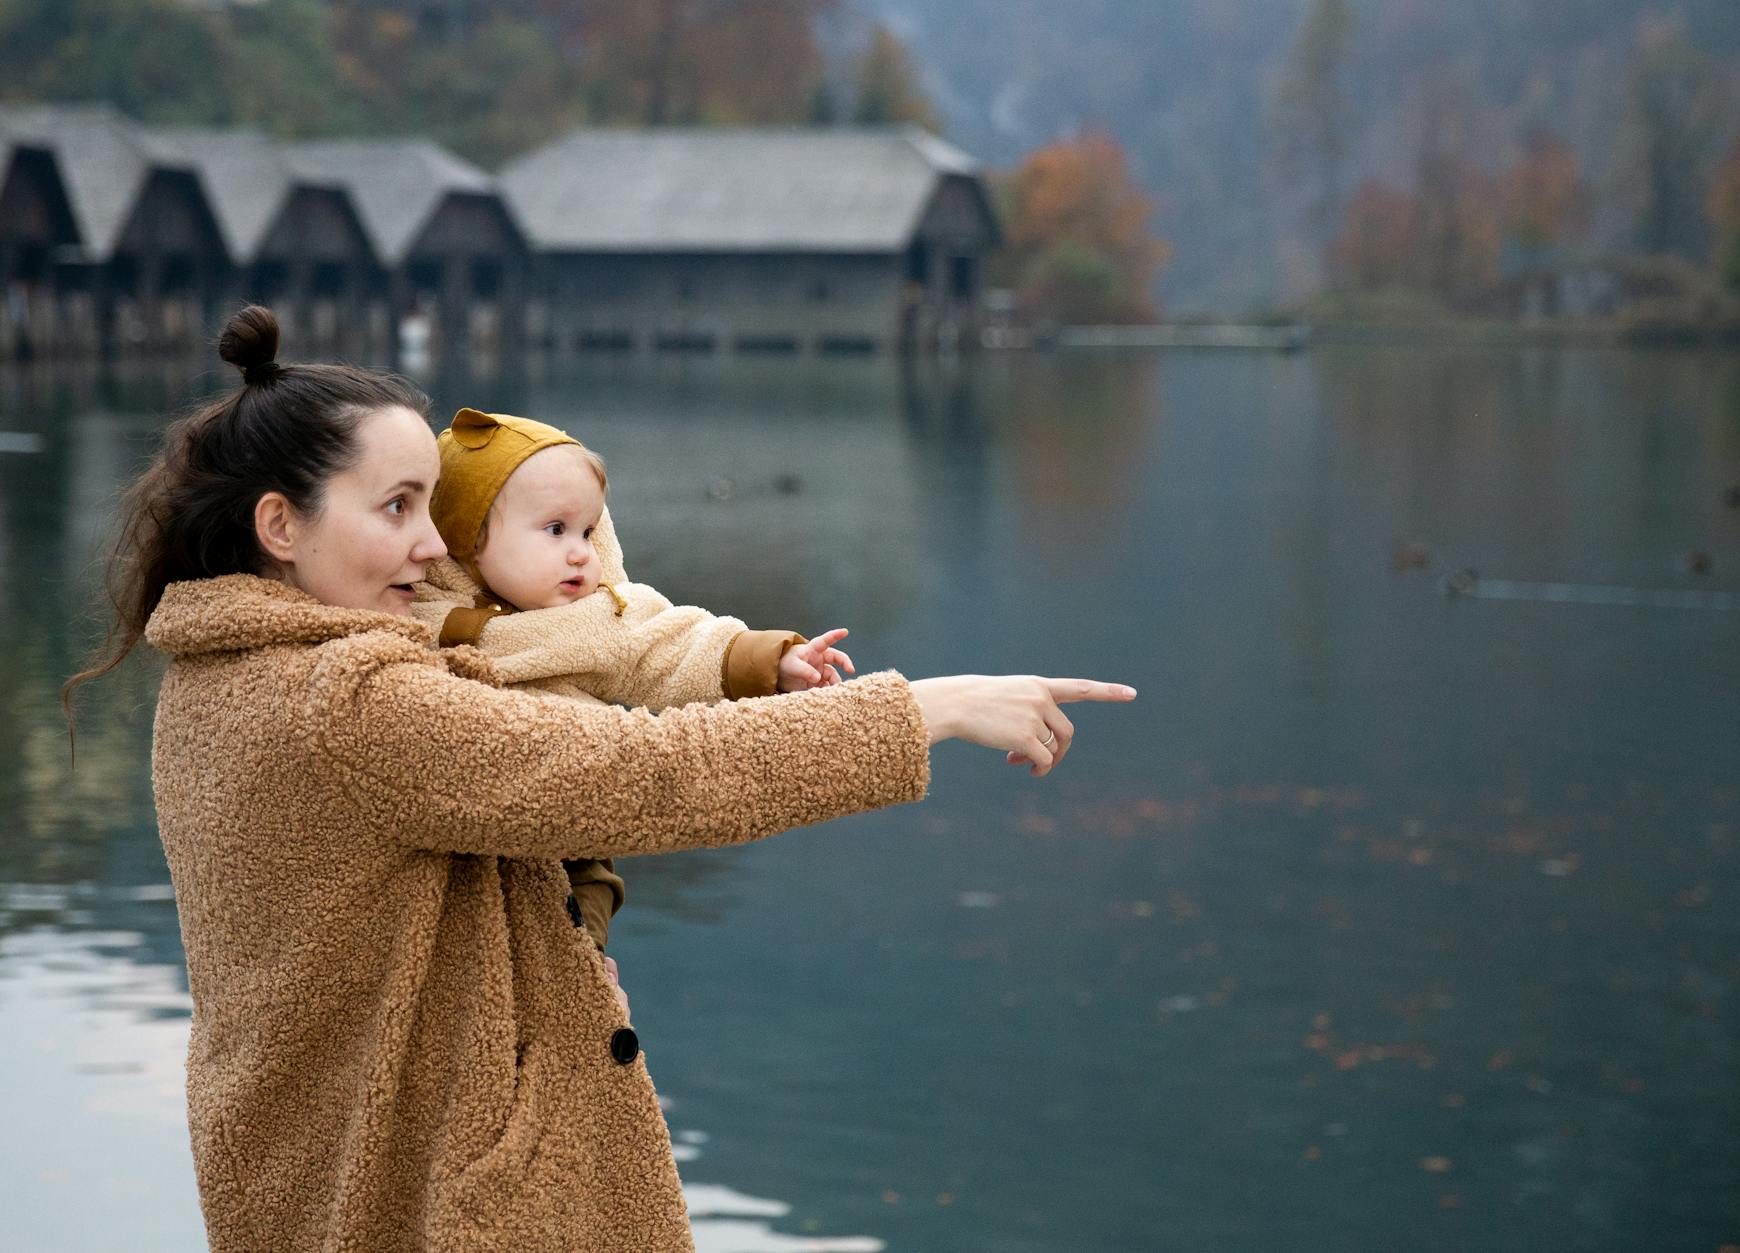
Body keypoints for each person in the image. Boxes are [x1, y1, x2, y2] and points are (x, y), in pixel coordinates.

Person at [64, 305, 1133, 1251]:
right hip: (448, 1207)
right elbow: (640, 772)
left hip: (331, 1185)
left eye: (432, 506)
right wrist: (924, 709)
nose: (433, 546)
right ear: (279, 525)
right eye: (395, 507)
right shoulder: (347, 700)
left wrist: (551, 967)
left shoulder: (217, 676)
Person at [409, 405, 858, 957]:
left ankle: (585, 976)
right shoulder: (411, 609)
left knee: (571, 944)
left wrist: (773, 660)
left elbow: (673, 646)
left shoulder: (601, 618)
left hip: (576, 837)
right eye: (555, 530)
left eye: (588, 531)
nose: (580, 552)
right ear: (465, 532)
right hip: (466, 828)